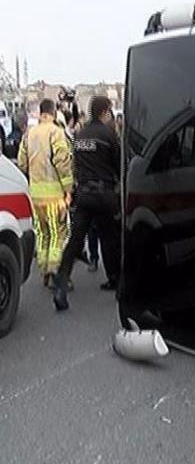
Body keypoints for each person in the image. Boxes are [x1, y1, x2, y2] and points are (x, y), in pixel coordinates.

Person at [53, 96, 121, 311]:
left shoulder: (80, 135)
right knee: (110, 238)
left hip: (84, 194)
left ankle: (61, 283)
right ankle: (114, 279)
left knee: (75, 241)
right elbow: (118, 165)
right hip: (104, 194)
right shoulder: (108, 134)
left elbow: (75, 164)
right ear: (105, 111)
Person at [17, 99, 74, 288]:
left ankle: (44, 270)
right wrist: (68, 191)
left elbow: (22, 163)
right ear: (53, 112)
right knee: (58, 234)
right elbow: (62, 164)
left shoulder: (29, 134)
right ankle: (54, 271)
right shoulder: (56, 133)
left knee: (42, 234)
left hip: (35, 195)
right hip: (54, 195)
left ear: (41, 113)